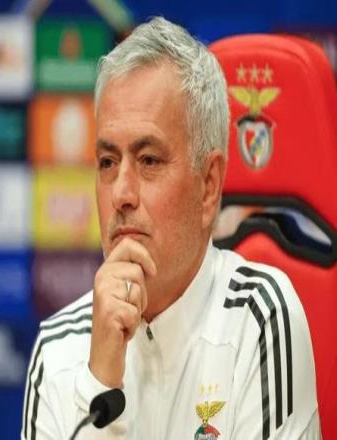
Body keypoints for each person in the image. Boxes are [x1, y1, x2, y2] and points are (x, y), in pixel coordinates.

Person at [22, 17, 320, 439]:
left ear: (208, 185)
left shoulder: (259, 319)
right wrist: (99, 382)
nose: (121, 193)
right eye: (107, 162)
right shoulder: (56, 351)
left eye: (148, 160)